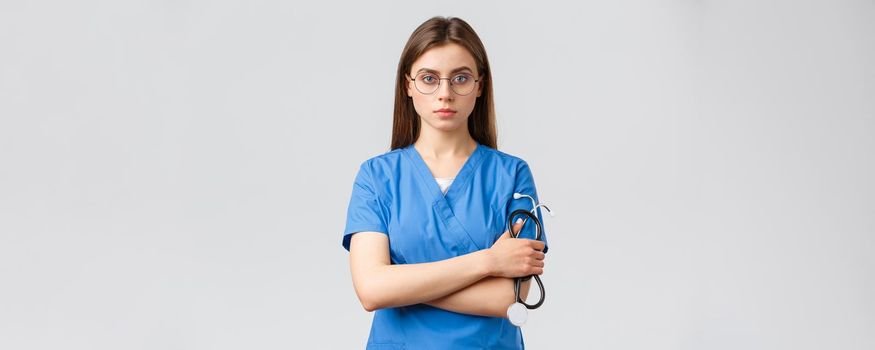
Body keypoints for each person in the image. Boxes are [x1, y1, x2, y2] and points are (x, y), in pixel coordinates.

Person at [342, 16, 549, 350]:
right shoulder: (377, 178)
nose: (445, 94)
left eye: (461, 78)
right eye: (428, 78)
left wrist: (401, 283)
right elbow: (371, 291)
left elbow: (508, 297)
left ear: (480, 85)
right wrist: (489, 262)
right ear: (407, 85)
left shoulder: (512, 176)